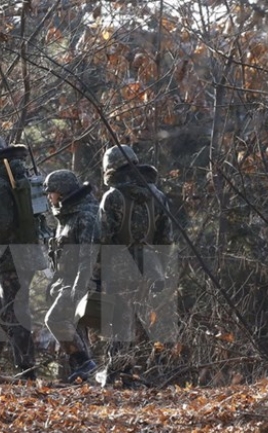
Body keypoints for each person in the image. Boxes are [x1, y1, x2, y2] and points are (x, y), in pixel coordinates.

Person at [93, 144, 174, 371]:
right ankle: (153, 372)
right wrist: (161, 271)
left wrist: (97, 276)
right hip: (151, 268)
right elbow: (165, 240)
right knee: (149, 323)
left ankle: (117, 372)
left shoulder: (112, 198)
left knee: (120, 322)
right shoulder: (158, 196)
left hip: (119, 269)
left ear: (110, 167)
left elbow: (102, 241)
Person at [0, 134, 46, 380]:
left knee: (15, 309)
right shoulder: (17, 176)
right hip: (30, 252)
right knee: (2, 307)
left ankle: (26, 370)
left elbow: (0, 225)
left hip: (12, 255)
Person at [43, 169, 100, 383]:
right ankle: (86, 376)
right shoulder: (66, 216)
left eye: (52, 192)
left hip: (88, 282)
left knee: (55, 319)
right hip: (68, 281)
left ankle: (85, 363)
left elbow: (88, 254)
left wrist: (80, 286)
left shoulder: (86, 215)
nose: (49, 197)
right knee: (76, 330)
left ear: (63, 191)